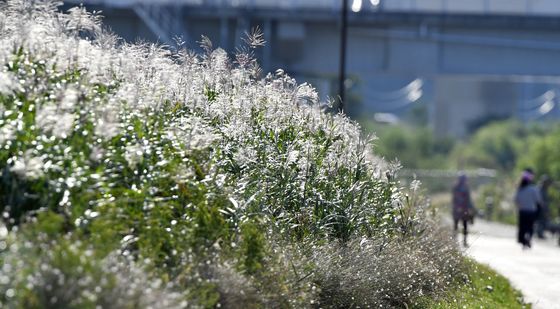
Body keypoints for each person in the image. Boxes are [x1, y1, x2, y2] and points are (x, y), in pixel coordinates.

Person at [514, 169, 542, 249]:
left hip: (522, 211)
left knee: (522, 227)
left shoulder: (519, 189)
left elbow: (516, 200)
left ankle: (522, 241)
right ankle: (528, 238)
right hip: (531, 211)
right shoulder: (533, 189)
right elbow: (538, 200)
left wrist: (520, 206)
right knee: (530, 227)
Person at [452, 173, 474, 247]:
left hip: (457, 210)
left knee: (456, 225)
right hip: (464, 210)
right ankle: (464, 241)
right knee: (464, 226)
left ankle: (455, 241)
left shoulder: (455, 187)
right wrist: (470, 208)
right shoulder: (464, 188)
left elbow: (454, 199)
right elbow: (467, 200)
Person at [536, 175, 552, 239]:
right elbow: (539, 199)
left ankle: (540, 233)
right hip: (540, 207)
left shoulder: (544, 189)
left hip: (543, 207)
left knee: (542, 221)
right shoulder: (539, 188)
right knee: (540, 221)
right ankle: (539, 233)